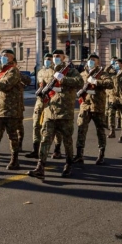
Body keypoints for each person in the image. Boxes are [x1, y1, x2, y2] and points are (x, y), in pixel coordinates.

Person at [27, 49, 83, 179]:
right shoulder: (49, 71)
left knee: (67, 141)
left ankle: (68, 164)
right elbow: (45, 87)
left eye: (58, 56)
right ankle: (40, 167)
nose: (55, 58)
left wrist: (63, 79)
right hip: (49, 111)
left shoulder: (70, 70)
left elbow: (79, 82)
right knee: (45, 140)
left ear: (64, 58)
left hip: (64, 112)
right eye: (54, 56)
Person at [74, 53, 111, 166]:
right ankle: (79, 155)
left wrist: (96, 82)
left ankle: (101, 155)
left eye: (93, 60)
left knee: (100, 131)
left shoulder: (102, 74)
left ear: (98, 62)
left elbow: (110, 84)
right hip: (85, 106)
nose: (91, 61)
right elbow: (77, 85)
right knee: (81, 130)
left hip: (97, 106)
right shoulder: (83, 74)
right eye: (89, 59)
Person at [26, 53, 63, 159]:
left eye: (50, 59)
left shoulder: (56, 72)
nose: (48, 61)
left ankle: (57, 149)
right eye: (46, 59)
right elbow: (40, 85)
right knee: (36, 125)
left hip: (52, 101)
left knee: (55, 127)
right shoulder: (40, 72)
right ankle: (35, 149)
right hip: (40, 101)